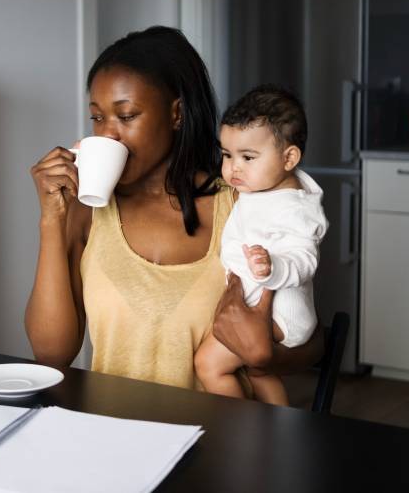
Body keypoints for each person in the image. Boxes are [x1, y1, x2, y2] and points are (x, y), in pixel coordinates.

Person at [25, 27, 323, 393]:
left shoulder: (241, 203)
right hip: (113, 435)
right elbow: (51, 355)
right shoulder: (88, 211)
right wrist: (51, 220)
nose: (108, 135)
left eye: (127, 115)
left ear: (177, 113)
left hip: (219, 439)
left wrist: (264, 358)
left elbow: (310, 339)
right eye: (98, 118)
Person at [193, 85, 328, 405]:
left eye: (248, 157)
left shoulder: (293, 207)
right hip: (267, 312)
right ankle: (280, 434)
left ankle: (241, 430)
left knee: (208, 365)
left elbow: (305, 257)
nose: (233, 167)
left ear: (289, 158)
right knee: (260, 374)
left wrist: (274, 266)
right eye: (227, 155)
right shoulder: (262, 189)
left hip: (280, 315)